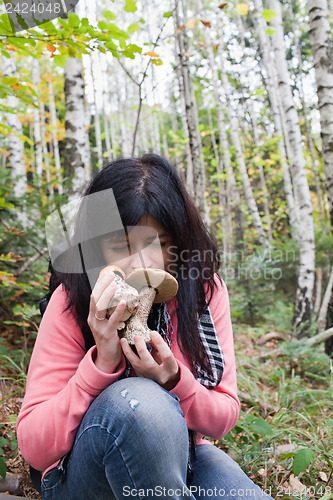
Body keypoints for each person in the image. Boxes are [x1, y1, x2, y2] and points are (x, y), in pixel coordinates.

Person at [17, 154, 272, 499]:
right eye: (121, 245)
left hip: (182, 454)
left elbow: (222, 418)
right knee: (140, 404)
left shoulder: (202, 292)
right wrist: (102, 365)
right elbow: (34, 447)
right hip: (78, 471)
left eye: (161, 244)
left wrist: (173, 381)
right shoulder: (72, 298)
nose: (143, 263)